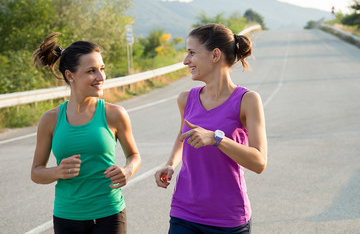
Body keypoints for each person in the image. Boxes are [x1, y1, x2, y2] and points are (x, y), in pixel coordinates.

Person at [154, 23, 267, 234]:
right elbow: (183, 136)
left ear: (215, 55)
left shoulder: (247, 100)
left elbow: (259, 162)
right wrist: (170, 164)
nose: (185, 61)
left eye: (192, 53)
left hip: (228, 218)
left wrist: (217, 139)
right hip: (184, 212)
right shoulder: (186, 99)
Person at [31, 33, 141, 234]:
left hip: (109, 214)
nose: (100, 77)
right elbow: (36, 172)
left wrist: (127, 170)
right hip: (66, 217)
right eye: (91, 71)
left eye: (102, 69)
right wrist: (57, 172)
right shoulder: (50, 119)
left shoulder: (114, 114)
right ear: (70, 75)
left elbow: (134, 156)